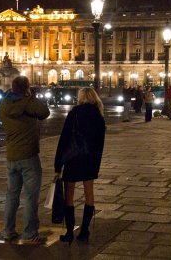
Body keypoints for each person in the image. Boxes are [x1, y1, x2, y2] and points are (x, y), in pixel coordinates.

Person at [0, 76, 50, 245]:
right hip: (28, 156)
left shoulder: (4, 105)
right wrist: (30, 97)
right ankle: (29, 233)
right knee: (30, 196)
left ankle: (8, 230)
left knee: (11, 195)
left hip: (11, 156)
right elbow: (44, 112)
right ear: (27, 87)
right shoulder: (28, 103)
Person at [54, 88, 106, 244]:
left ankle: (69, 232)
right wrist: (96, 162)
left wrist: (58, 163)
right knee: (89, 193)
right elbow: (100, 143)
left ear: (81, 97)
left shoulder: (75, 112)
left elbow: (64, 138)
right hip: (90, 159)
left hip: (73, 158)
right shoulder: (99, 115)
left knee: (69, 194)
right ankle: (84, 231)